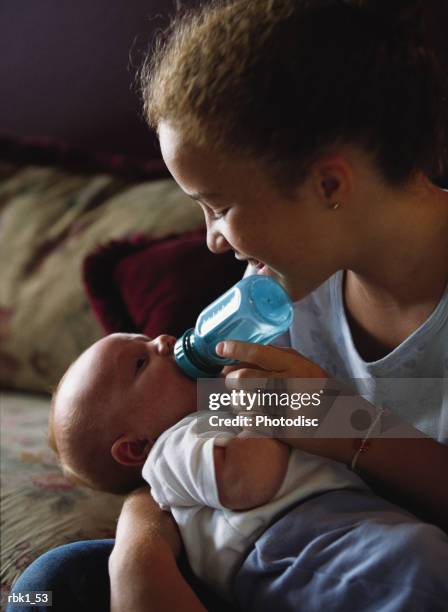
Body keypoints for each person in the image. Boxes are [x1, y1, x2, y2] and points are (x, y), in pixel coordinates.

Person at [8, 0, 448, 610]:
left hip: (403, 570)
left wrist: (343, 427)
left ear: (329, 185)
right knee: (53, 586)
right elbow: (173, 437)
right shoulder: (287, 289)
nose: (213, 239)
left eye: (218, 205)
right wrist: (141, 552)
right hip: (296, 560)